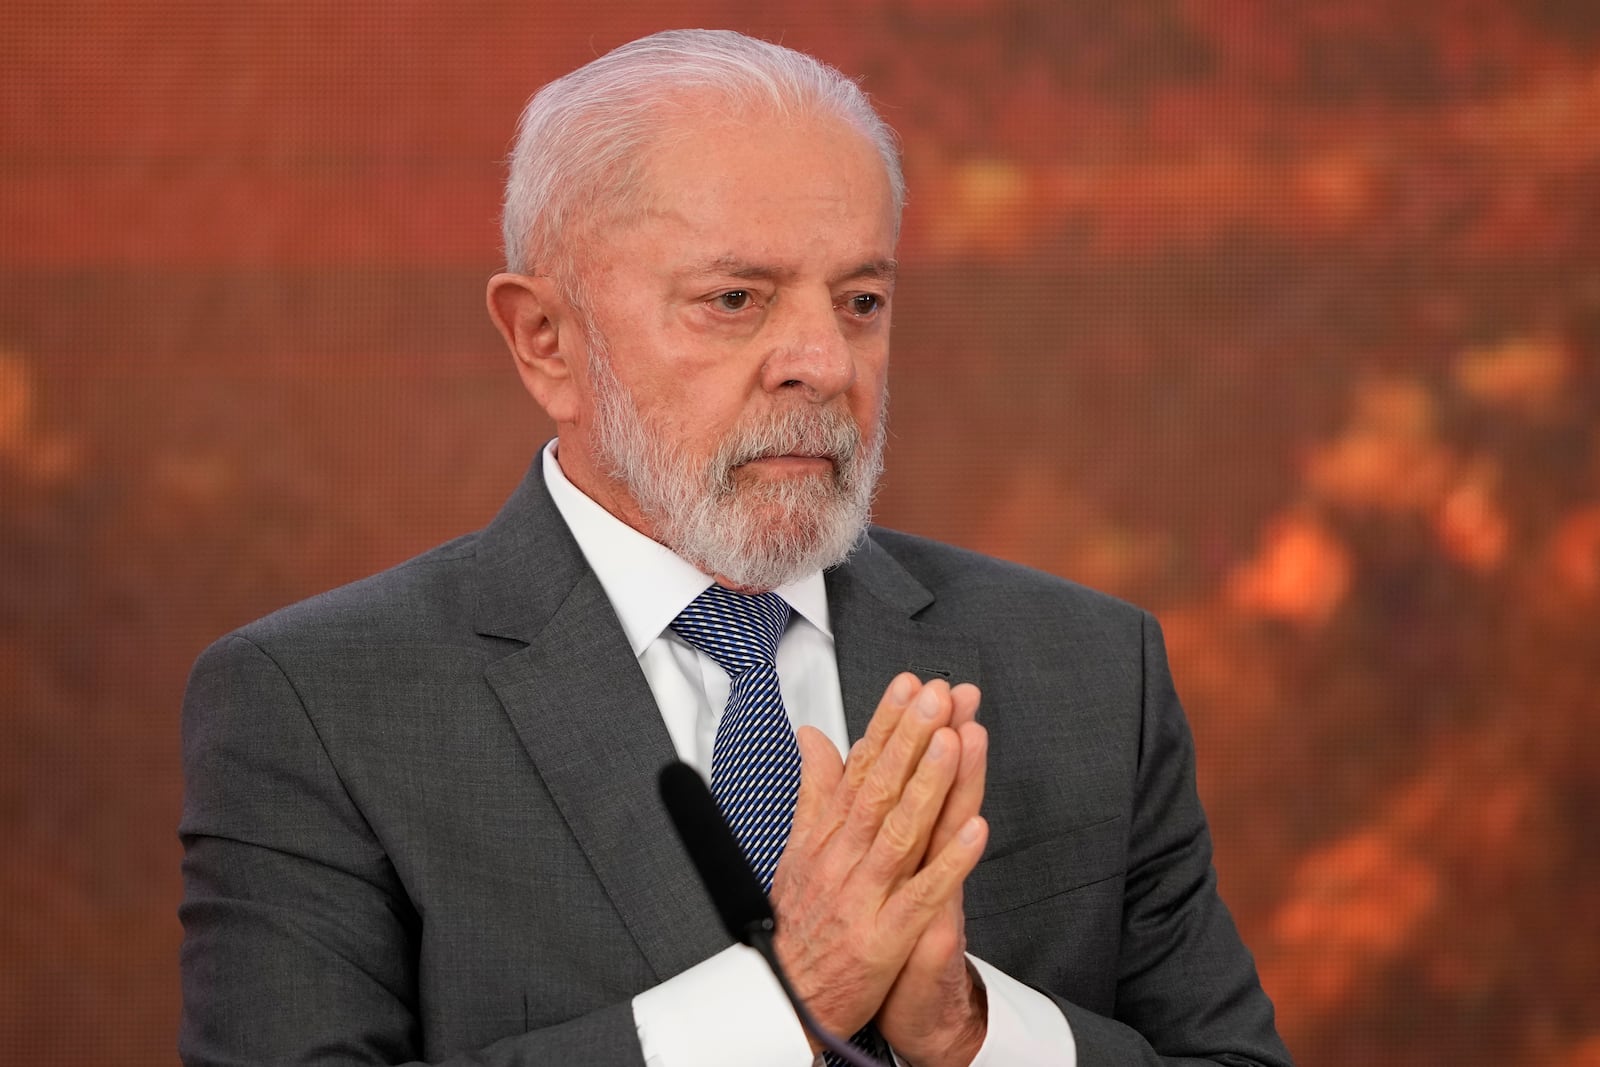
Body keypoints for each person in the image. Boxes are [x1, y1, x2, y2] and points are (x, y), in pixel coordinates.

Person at [178, 29, 1292, 1067]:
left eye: (861, 298)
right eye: (734, 299)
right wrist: (785, 995)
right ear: (545, 341)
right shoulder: (320, 703)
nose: (822, 360)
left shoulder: (1089, 667)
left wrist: (969, 1032)